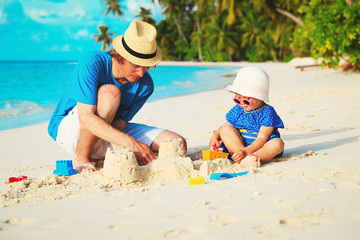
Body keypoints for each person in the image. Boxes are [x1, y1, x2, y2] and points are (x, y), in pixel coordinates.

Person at [48, 20, 187, 172]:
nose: (141, 73)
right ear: (121, 55)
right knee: (110, 93)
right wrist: (130, 144)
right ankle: (82, 158)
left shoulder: (146, 85)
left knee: (176, 143)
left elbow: (119, 124)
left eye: (147, 66)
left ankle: (99, 156)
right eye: (136, 65)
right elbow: (85, 118)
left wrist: (129, 147)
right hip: (71, 132)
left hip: (105, 134)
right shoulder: (93, 62)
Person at [209, 66, 284, 168]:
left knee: (277, 143)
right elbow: (226, 124)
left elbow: (262, 138)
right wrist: (215, 136)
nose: (242, 103)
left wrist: (246, 152)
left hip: (261, 148)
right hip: (240, 146)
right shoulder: (238, 109)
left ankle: (252, 158)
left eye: (246, 100)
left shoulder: (267, 112)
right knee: (225, 129)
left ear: (260, 97)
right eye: (237, 99)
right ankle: (241, 158)